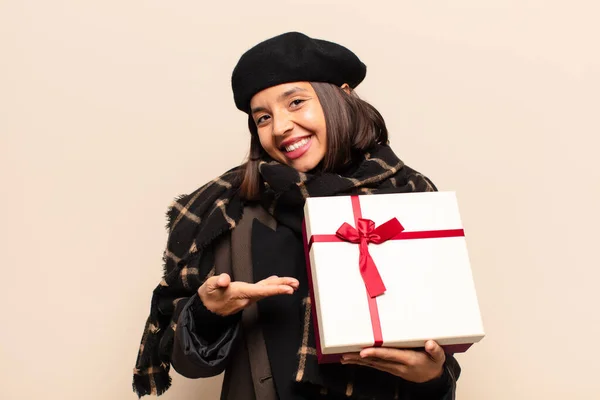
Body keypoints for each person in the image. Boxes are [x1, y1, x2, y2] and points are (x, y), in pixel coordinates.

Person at [133, 32, 461, 400]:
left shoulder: (409, 196)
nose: (280, 127)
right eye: (263, 117)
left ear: (343, 96)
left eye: (296, 102)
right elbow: (190, 363)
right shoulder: (233, 212)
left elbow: (439, 352)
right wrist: (209, 311)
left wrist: (431, 376)